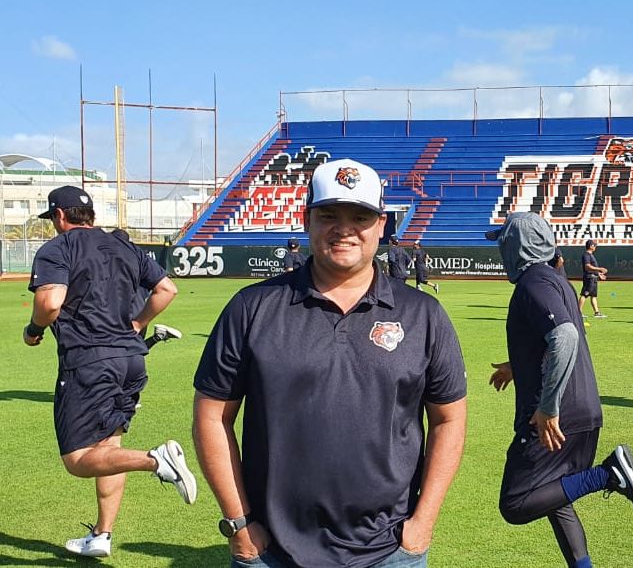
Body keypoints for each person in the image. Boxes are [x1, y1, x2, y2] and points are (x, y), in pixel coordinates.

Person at [193, 159, 468, 567]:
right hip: (272, 550)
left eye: (360, 216)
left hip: (390, 551)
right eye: (329, 215)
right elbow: (212, 416)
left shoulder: (422, 315)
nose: (345, 229)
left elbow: (449, 419)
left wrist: (424, 519)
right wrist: (239, 521)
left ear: (381, 226)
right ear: (307, 221)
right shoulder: (251, 308)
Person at [23, 185, 197, 559]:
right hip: (131, 360)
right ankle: (102, 535)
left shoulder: (58, 248)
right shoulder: (126, 246)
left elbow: (50, 303)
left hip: (88, 361)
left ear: (59, 216)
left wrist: (33, 330)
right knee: (108, 448)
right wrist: (138, 324)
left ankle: (156, 460)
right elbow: (167, 289)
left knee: (78, 459)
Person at [485, 212, 633, 568]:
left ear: (517, 245)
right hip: (583, 411)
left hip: (557, 417)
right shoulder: (555, 279)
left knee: (516, 503)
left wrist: (548, 407)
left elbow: (565, 336)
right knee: (555, 497)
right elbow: (555, 341)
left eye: (503, 241)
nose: (501, 249)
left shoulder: (533, 283)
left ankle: (610, 475)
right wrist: (519, 366)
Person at [111, 228, 183, 349]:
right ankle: (157, 337)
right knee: (133, 352)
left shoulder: (106, 260)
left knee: (122, 354)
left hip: (120, 315)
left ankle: (157, 337)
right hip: (141, 313)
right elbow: (164, 288)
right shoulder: (139, 258)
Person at [578, 240, 608, 318]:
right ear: (591, 246)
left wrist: (598, 274)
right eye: (594, 245)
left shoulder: (591, 255)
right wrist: (599, 269)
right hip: (589, 278)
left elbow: (592, 268)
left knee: (593, 296)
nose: (595, 247)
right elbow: (587, 266)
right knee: (584, 294)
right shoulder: (586, 255)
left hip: (593, 278)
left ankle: (596, 312)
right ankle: (578, 312)